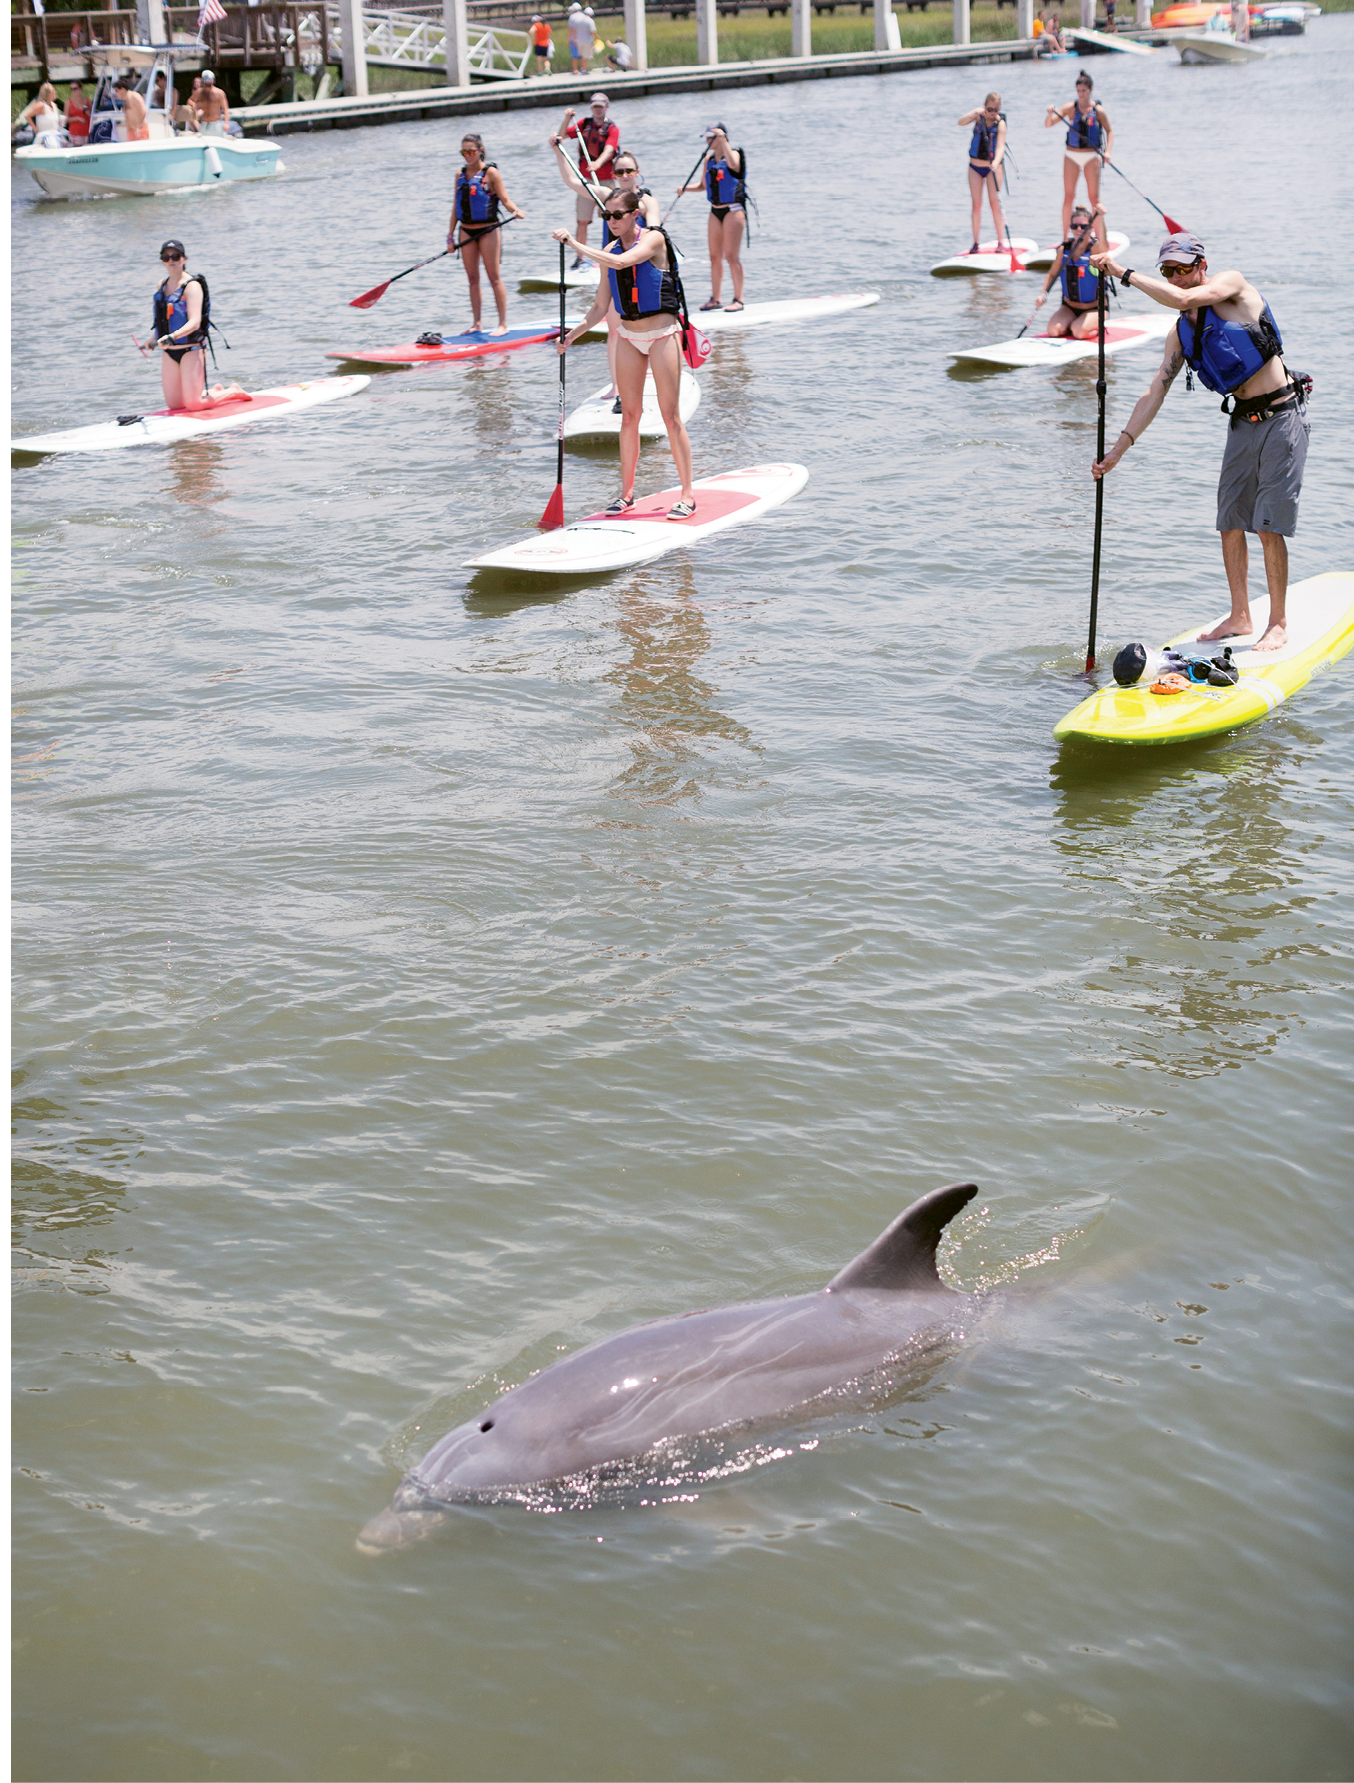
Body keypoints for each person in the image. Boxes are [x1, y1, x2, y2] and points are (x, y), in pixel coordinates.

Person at [1090, 232, 1309, 654]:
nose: (1177, 278)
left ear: (1202, 265)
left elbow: (1187, 299)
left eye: (1183, 269)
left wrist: (1123, 272)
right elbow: (1154, 392)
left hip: (1283, 418)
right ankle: (1240, 615)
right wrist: (1117, 450)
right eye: (1168, 271)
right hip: (1243, 423)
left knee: (1267, 526)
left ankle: (1277, 622)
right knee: (1229, 521)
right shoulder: (1180, 334)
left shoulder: (1232, 286)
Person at [552, 190, 697, 519]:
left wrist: (574, 244)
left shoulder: (654, 240)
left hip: (662, 335)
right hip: (630, 336)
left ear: (635, 215)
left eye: (618, 215)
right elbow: (600, 307)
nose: (612, 221)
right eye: (607, 216)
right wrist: (571, 337)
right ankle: (627, 494)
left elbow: (622, 262)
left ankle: (687, 494)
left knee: (670, 416)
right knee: (629, 417)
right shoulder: (607, 251)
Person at [551, 135, 660, 403]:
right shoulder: (608, 196)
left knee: (648, 325)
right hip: (611, 265)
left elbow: (655, 225)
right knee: (614, 329)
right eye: (619, 171)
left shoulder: (644, 202)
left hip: (641, 267)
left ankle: (653, 376)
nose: (624, 175)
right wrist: (557, 150)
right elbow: (571, 182)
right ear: (614, 174)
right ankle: (617, 386)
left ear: (637, 173)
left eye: (629, 171)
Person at [140, 239, 247, 412]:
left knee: (195, 404)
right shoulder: (162, 285)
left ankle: (233, 391)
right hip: (169, 352)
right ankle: (213, 392)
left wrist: (171, 337)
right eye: (166, 257)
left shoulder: (192, 286)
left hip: (192, 350)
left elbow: (194, 322)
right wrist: (153, 339)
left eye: (175, 256)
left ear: (184, 258)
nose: (171, 261)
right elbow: (161, 320)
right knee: (175, 405)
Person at [449, 133, 526, 334]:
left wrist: (515, 211)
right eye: (464, 152)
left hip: (488, 230)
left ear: (480, 150)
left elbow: (505, 199)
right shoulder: (459, 175)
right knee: (472, 279)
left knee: (494, 277)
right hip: (465, 231)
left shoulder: (491, 173)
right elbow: (455, 208)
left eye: (471, 151)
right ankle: (477, 323)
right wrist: (449, 236)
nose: (468, 155)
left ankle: (502, 324)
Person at [678, 122, 746, 311]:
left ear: (721, 138)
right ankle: (715, 299)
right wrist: (685, 189)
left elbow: (734, 165)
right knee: (714, 256)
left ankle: (738, 299)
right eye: (707, 137)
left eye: (711, 137)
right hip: (715, 210)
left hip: (733, 209)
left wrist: (723, 138)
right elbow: (703, 186)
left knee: (731, 256)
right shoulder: (709, 160)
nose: (708, 141)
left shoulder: (734, 154)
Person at [1045, 72, 1112, 244]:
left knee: (1094, 198)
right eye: (1079, 91)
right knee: (1068, 196)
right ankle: (1065, 238)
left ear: (1091, 90)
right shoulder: (1070, 107)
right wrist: (1050, 113)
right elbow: (1049, 124)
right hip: (1071, 156)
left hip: (1091, 157)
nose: (1081, 94)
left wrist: (1108, 152)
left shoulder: (1098, 111)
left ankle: (1099, 239)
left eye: (1084, 91)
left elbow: (1109, 131)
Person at [1029, 203, 1105, 338]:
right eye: (1075, 226)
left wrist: (1102, 218)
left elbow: (1105, 248)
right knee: (1054, 330)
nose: (1079, 229)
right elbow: (1052, 274)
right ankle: (1074, 324)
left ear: (1091, 227)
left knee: (1079, 332)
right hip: (1069, 307)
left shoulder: (1094, 249)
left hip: (1095, 308)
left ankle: (1096, 327)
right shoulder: (1064, 250)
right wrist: (1043, 294)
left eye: (1083, 226)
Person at [559, 97, 619, 261]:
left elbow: (609, 149)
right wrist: (566, 118)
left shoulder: (612, 128)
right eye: (595, 107)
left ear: (606, 107)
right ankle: (580, 259)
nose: (598, 110)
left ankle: (611, 254)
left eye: (601, 107)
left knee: (611, 219)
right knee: (582, 221)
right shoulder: (584, 123)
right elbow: (562, 135)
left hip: (606, 181)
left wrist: (598, 163)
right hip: (586, 182)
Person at [956, 93, 1011, 256]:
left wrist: (995, 162)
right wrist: (973, 113)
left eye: (996, 109)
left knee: (995, 204)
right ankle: (975, 243)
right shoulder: (978, 118)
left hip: (993, 169)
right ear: (984, 106)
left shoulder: (1000, 124)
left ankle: (1001, 241)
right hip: (974, 167)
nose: (992, 112)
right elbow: (960, 122)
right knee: (976, 204)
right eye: (989, 109)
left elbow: (1000, 146)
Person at [196, 70, 230, 136]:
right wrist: (196, 108)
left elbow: (225, 109)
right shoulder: (199, 93)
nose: (207, 81)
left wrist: (226, 123)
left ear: (213, 80)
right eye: (205, 79)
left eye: (209, 78)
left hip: (215, 124)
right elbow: (191, 101)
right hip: (204, 124)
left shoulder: (219, 93)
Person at [116, 75, 149, 141]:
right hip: (131, 131)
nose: (116, 93)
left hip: (140, 130)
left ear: (122, 89)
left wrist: (138, 127)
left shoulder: (134, 96)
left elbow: (143, 111)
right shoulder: (125, 100)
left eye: (117, 91)